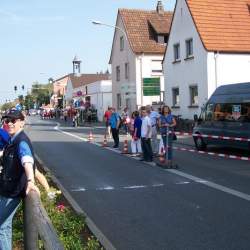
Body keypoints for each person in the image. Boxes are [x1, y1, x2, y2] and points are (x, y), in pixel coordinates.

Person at [0, 109, 39, 250]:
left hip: (12, 193)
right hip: (6, 189)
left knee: (1, 227)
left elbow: (27, 160)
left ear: (22, 122)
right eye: (7, 120)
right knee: (4, 226)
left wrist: (30, 181)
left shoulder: (21, 141)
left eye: (13, 120)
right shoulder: (13, 140)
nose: (9, 123)